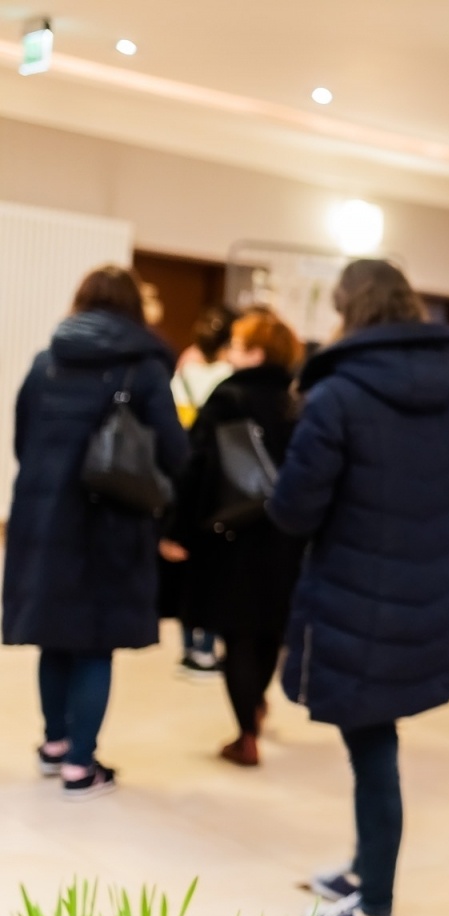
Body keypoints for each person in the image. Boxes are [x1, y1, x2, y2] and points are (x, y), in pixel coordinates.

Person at [268, 259, 449, 916]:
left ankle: (373, 905)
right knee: (371, 739)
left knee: (372, 746)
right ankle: (360, 868)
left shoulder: (338, 397)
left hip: (353, 595)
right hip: (430, 594)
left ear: (350, 312)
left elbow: (293, 510)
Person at [3, 265, 188, 800]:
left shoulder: (46, 363)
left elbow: (23, 441)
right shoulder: (144, 369)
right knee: (94, 644)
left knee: (54, 636)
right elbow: (174, 452)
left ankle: (55, 745)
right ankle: (81, 766)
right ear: (135, 310)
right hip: (111, 521)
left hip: (43, 517)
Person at [161, 308, 305, 768]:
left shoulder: (228, 397)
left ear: (256, 352)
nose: (231, 353)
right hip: (284, 535)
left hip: (230, 535)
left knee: (237, 633)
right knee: (268, 631)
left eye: (239, 345)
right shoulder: (298, 402)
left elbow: (195, 468)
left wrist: (177, 529)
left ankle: (245, 732)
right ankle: (256, 707)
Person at [169, 305, 238, 677]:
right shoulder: (230, 378)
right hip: (219, 480)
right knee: (213, 565)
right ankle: (208, 649)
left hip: (184, 470)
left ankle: (186, 648)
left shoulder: (183, 372)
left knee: (185, 560)